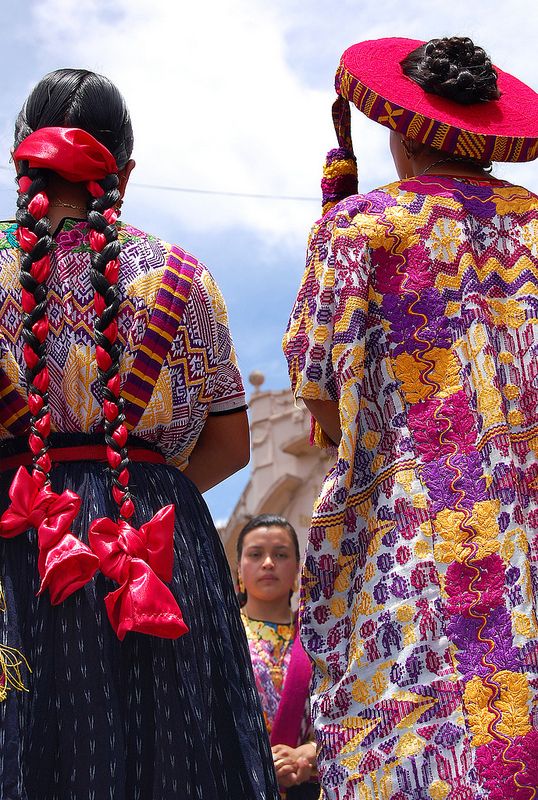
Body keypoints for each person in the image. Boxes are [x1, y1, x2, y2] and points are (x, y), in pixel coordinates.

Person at [0, 68, 279, 800]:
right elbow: (231, 445)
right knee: (172, 757)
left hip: (18, 530)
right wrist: (140, 483)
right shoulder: (184, 276)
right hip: (155, 543)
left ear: (19, 160)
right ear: (124, 173)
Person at [283, 36, 538, 800]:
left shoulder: (361, 227)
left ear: (400, 134)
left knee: (425, 750)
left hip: (416, 539)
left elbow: (317, 382)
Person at [237, 514, 320, 799]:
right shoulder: (222, 637)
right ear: (239, 572)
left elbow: (349, 711)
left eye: (281, 554)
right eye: (256, 554)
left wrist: (308, 754)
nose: (269, 563)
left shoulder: (320, 637)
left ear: (297, 570)